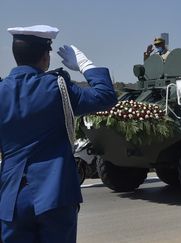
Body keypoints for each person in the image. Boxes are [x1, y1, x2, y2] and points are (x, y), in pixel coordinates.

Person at [0, 25, 117, 242]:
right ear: (45, 57)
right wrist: (85, 65)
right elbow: (105, 96)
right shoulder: (56, 87)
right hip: (54, 194)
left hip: (11, 198)